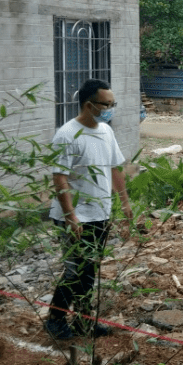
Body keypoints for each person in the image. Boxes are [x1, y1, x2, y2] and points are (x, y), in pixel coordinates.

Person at [45, 79, 133, 340]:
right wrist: (71, 217)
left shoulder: (106, 131)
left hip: (99, 215)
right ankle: (55, 319)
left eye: (112, 104)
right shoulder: (67, 134)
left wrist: (125, 203)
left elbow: (115, 168)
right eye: (107, 104)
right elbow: (59, 177)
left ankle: (84, 320)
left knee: (89, 269)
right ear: (88, 105)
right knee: (74, 270)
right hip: (75, 217)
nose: (110, 108)